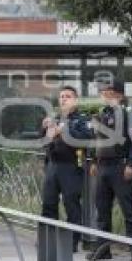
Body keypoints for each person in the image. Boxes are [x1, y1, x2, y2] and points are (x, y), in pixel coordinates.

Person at [86, 79, 132, 261]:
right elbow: (96, 140)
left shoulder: (130, 113)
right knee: (102, 210)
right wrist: (94, 161)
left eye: (108, 92)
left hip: (121, 167)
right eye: (103, 92)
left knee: (129, 210)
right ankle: (103, 249)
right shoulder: (103, 113)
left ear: (119, 95)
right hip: (103, 166)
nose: (104, 95)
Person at [40, 86, 91, 251]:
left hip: (71, 166)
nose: (63, 99)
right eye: (61, 96)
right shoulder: (55, 117)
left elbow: (86, 139)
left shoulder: (82, 118)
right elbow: (43, 141)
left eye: (67, 96)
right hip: (53, 165)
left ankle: (72, 242)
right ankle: (48, 239)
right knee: (48, 203)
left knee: (71, 205)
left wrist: (63, 132)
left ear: (75, 100)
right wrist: (44, 129)